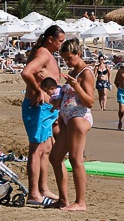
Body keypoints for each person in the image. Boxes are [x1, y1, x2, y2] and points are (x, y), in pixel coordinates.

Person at [20, 25, 65, 206]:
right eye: (60, 41)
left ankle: (43, 189)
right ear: (50, 39)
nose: (61, 45)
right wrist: (38, 90)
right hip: (37, 107)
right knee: (37, 149)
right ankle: (33, 193)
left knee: (46, 148)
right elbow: (26, 72)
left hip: (46, 109)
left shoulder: (47, 54)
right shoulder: (43, 54)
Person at [51, 38, 95, 211]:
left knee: (76, 159)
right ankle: (63, 199)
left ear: (79, 54)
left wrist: (76, 86)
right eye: (64, 59)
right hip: (68, 119)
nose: (66, 62)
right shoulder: (73, 71)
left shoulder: (86, 73)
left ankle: (80, 202)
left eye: (69, 58)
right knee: (55, 157)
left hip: (79, 118)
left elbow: (90, 102)